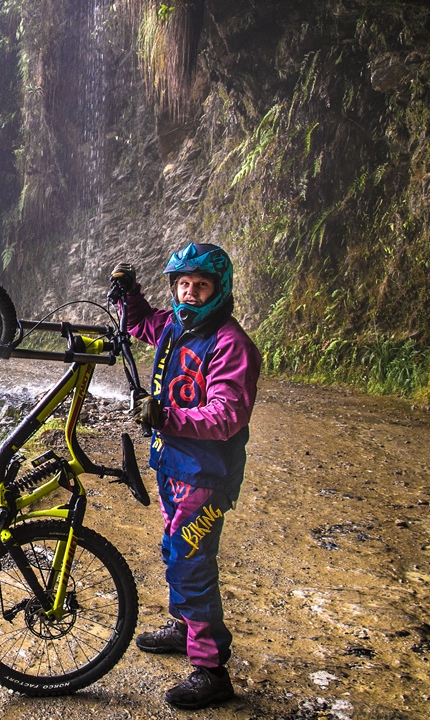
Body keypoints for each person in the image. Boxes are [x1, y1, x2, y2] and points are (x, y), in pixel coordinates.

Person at [109, 242, 261, 710]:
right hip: (173, 466)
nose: (190, 293)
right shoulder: (175, 326)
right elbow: (139, 323)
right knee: (175, 551)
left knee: (192, 563)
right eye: (183, 285)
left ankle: (212, 671)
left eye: (200, 286)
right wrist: (128, 293)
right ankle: (184, 627)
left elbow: (227, 415)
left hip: (206, 474)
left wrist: (166, 417)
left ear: (219, 290)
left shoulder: (231, 344)